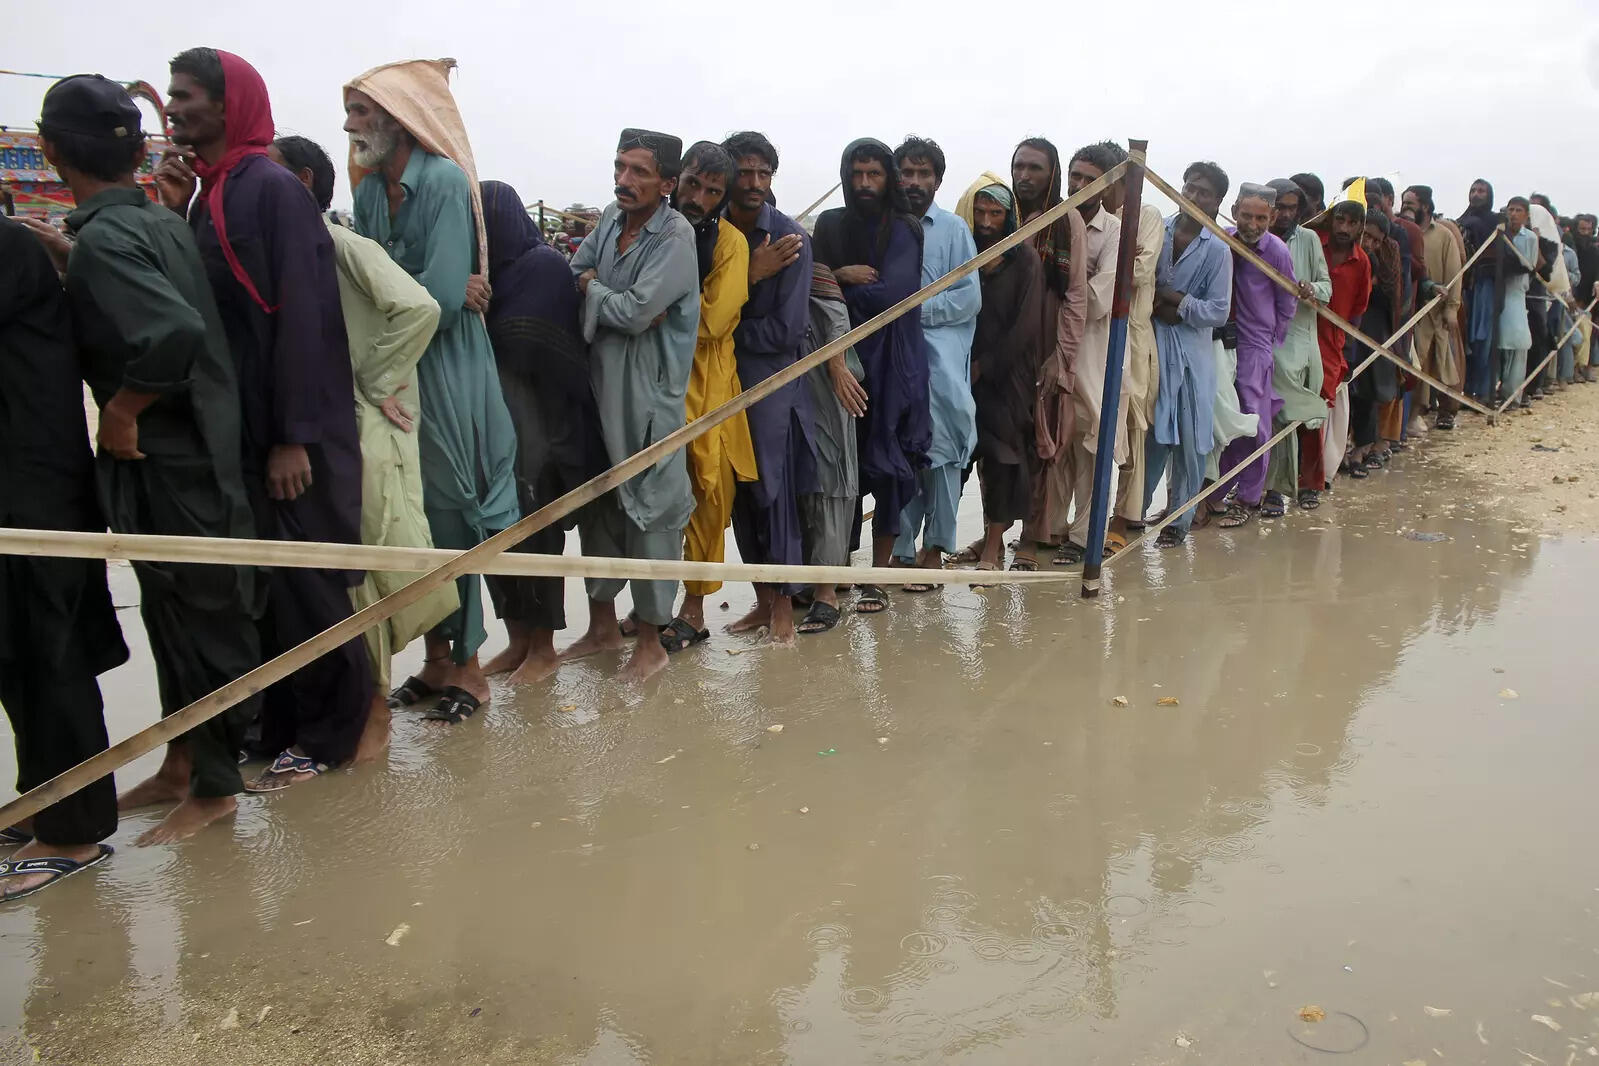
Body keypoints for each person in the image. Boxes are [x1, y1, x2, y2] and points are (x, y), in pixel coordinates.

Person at [38, 74, 264, 834]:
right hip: (209, 442)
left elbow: (170, 332)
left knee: (200, 615)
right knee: (174, 610)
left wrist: (122, 412)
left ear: (48, 150)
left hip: (173, 456)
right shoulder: (154, 221)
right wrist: (73, 255)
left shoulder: (109, 240)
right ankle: (182, 765)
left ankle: (217, 788)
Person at [154, 49, 371, 796]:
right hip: (245, 425)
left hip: (291, 434)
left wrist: (292, 436)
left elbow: (306, 316)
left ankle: (331, 734)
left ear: (227, 103)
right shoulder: (218, 190)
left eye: (186, 96)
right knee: (270, 588)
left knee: (309, 585)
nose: (174, 107)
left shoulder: (271, 189)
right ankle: (278, 726)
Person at [268, 134, 460, 757]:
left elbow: (421, 306)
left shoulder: (340, 244)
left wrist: (372, 382)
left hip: (369, 425)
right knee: (342, 568)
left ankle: (373, 713)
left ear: (300, 183)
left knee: (369, 566)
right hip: (330, 427)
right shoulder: (291, 255)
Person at [344, 60, 520, 724]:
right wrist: (416, 293)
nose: (350, 125)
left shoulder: (445, 183)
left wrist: (413, 292)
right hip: (394, 368)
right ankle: (436, 658)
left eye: (362, 112)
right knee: (407, 511)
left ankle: (470, 669)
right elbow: (381, 289)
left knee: (456, 514)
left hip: (445, 370)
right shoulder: (365, 194)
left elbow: (446, 299)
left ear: (395, 119)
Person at [1, 210, 124, 896]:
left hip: (33, 491)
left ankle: (73, 831)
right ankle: (41, 803)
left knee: (51, 654)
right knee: (17, 655)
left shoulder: (10, 247)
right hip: (21, 488)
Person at [562, 129, 700, 681]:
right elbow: (576, 271)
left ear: (667, 183)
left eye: (639, 172)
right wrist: (606, 294)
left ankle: (650, 640)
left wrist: (599, 293)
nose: (625, 181)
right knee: (600, 505)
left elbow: (639, 311)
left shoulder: (675, 236)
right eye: (621, 167)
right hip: (598, 386)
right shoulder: (609, 222)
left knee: (653, 510)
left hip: (649, 395)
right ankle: (599, 627)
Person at [474, 179, 608, 684]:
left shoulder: (542, 266)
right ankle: (517, 641)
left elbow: (542, 351)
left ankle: (545, 648)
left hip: (544, 432)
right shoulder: (485, 276)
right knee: (498, 537)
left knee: (539, 538)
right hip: (495, 428)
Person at [641, 141, 757, 651]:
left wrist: (650, 306)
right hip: (648, 382)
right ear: (675, 179)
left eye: (714, 191)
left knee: (707, 497)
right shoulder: (650, 229)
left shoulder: (730, 243)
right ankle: (650, 605)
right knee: (652, 496)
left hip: (706, 386)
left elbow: (711, 319)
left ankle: (694, 607)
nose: (700, 197)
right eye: (694, 183)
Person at [811, 138, 925, 613]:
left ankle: (877, 575)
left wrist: (834, 283)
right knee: (839, 464)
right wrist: (839, 274)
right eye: (857, 174)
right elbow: (811, 284)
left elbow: (893, 294)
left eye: (874, 174)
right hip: (839, 355)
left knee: (891, 463)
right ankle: (836, 573)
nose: (864, 184)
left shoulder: (906, 228)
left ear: (888, 178)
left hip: (894, 358)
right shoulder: (830, 224)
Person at [719, 131, 816, 643]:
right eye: (746, 171)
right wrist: (748, 277)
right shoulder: (711, 231)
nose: (755, 182)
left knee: (773, 490)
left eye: (764, 173)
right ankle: (760, 600)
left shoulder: (790, 238)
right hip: (719, 379)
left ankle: (783, 608)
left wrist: (724, 330)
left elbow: (786, 331)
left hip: (768, 380)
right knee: (736, 493)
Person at [889, 136, 979, 586]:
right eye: (907, 172)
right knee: (900, 451)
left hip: (940, 364)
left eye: (924, 174)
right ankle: (900, 549)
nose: (915, 181)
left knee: (942, 455)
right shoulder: (885, 224)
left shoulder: (954, 230)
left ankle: (934, 548)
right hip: (892, 359)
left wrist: (916, 310)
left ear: (938, 180)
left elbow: (969, 298)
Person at [954, 174, 1043, 571]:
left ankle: (993, 545)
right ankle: (934, 543)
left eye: (996, 213)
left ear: (1009, 217)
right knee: (954, 456)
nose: (987, 222)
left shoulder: (1025, 259)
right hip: (958, 368)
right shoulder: (962, 253)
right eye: (980, 212)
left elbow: (1025, 327)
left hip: (1007, 376)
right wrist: (963, 366)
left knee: (1003, 458)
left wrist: (985, 367)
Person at [1143, 162, 1233, 547]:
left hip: (1193, 354)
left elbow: (1219, 311)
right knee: (1149, 435)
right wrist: (1158, 302)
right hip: (1151, 344)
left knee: (1191, 438)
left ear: (1216, 202)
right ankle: (1129, 515)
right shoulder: (1157, 230)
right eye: (1189, 188)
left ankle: (1179, 521)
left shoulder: (1218, 250)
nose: (1194, 197)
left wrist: (1178, 302)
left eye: (1204, 193)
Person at [1009, 136, 1088, 568]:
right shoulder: (1003, 213)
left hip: (1045, 336)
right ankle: (995, 529)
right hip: (1005, 339)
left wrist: (1063, 356)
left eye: (1035, 168)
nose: (1025, 176)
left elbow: (1076, 294)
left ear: (1051, 173)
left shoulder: (1065, 220)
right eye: (1019, 166)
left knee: (1040, 442)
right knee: (1001, 439)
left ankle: (1030, 537)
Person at [1054, 142, 1123, 564]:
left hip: (1095, 349)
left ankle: (1084, 536)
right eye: (1074, 177)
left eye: (1088, 179)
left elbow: (1100, 298)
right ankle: (1051, 529)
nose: (1078, 185)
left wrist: (1068, 290)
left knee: (1094, 442)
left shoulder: (1114, 232)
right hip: (1054, 344)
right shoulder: (1054, 221)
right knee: (1055, 441)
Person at [1213, 183, 1296, 529]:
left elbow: (1287, 300)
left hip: (1256, 345)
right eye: (1246, 215)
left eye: (1261, 217)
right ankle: (1213, 494)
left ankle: (1248, 497)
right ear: (1234, 212)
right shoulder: (1223, 240)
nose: (1253, 223)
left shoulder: (1276, 250)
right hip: (1221, 341)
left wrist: (1271, 342)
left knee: (1254, 422)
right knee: (1222, 419)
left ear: (1272, 218)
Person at [794, 260, 867, 633]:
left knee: (829, 481)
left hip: (823, 389)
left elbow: (835, 320)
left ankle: (826, 592)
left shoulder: (810, 267)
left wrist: (837, 364)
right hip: (777, 390)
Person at [1099, 145, 1164, 550]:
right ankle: (1079, 522)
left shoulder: (1147, 216)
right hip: (1095, 330)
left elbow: (1139, 270)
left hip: (1132, 331)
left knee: (1133, 424)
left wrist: (1102, 268)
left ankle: (1124, 517)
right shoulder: (1091, 219)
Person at [1261, 178, 1331, 515]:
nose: (1285, 214)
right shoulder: (1256, 240)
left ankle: (1307, 486)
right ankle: (1273, 489)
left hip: (1302, 338)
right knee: (1273, 416)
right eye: (1280, 207)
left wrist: (1310, 288)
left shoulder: (1310, 240)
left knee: (1306, 415)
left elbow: (1326, 287)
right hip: (1265, 340)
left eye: (1291, 208)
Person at [1311, 200, 1371, 487]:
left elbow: (1358, 311)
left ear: (1360, 227)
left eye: (1352, 223)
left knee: (1329, 405)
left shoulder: (1361, 262)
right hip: (1304, 332)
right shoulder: (1314, 245)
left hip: (1335, 340)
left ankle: (1323, 473)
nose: (1344, 228)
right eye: (1340, 220)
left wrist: (1349, 351)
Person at [1400, 185, 1464, 429]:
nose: (1405, 207)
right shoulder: (1406, 232)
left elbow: (1454, 275)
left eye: (1410, 203)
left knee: (1443, 364)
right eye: (1404, 203)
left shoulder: (1443, 235)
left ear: (1425, 206)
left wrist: (1451, 309)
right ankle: (1413, 416)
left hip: (1438, 313)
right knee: (1417, 365)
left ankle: (1446, 412)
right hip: (1414, 312)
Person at [1457, 179, 1499, 404]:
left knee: (1483, 339)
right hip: (1464, 285)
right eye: (1473, 190)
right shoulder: (1462, 220)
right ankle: (1464, 390)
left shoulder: (1495, 221)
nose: (1476, 194)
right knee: (1463, 339)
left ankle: (1482, 391)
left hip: (1485, 286)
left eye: (1481, 190)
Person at [1498, 197, 1539, 407]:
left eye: (1518, 210)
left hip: (1517, 292)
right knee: (1499, 343)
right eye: (1511, 209)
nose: (1513, 214)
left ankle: (1513, 395)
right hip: (1498, 291)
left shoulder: (1530, 238)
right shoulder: (1499, 233)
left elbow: (1530, 267)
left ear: (1526, 215)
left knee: (1518, 342)